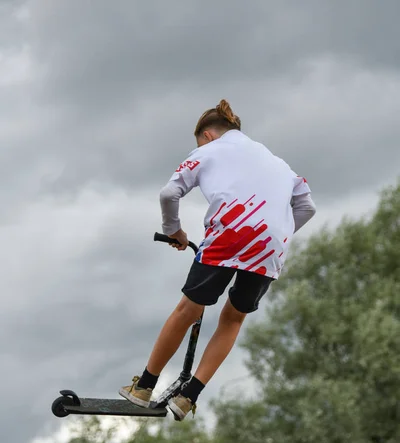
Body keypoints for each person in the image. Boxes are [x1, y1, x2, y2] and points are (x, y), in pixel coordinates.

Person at [119, 100, 316, 421]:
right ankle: (188, 397)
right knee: (234, 318)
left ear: (207, 136)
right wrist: (275, 233)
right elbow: (307, 207)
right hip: (272, 245)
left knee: (189, 308)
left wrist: (174, 231)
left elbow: (169, 194)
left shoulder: (208, 151)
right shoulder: (278, 162)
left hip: (233, 232)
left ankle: (143, 387)